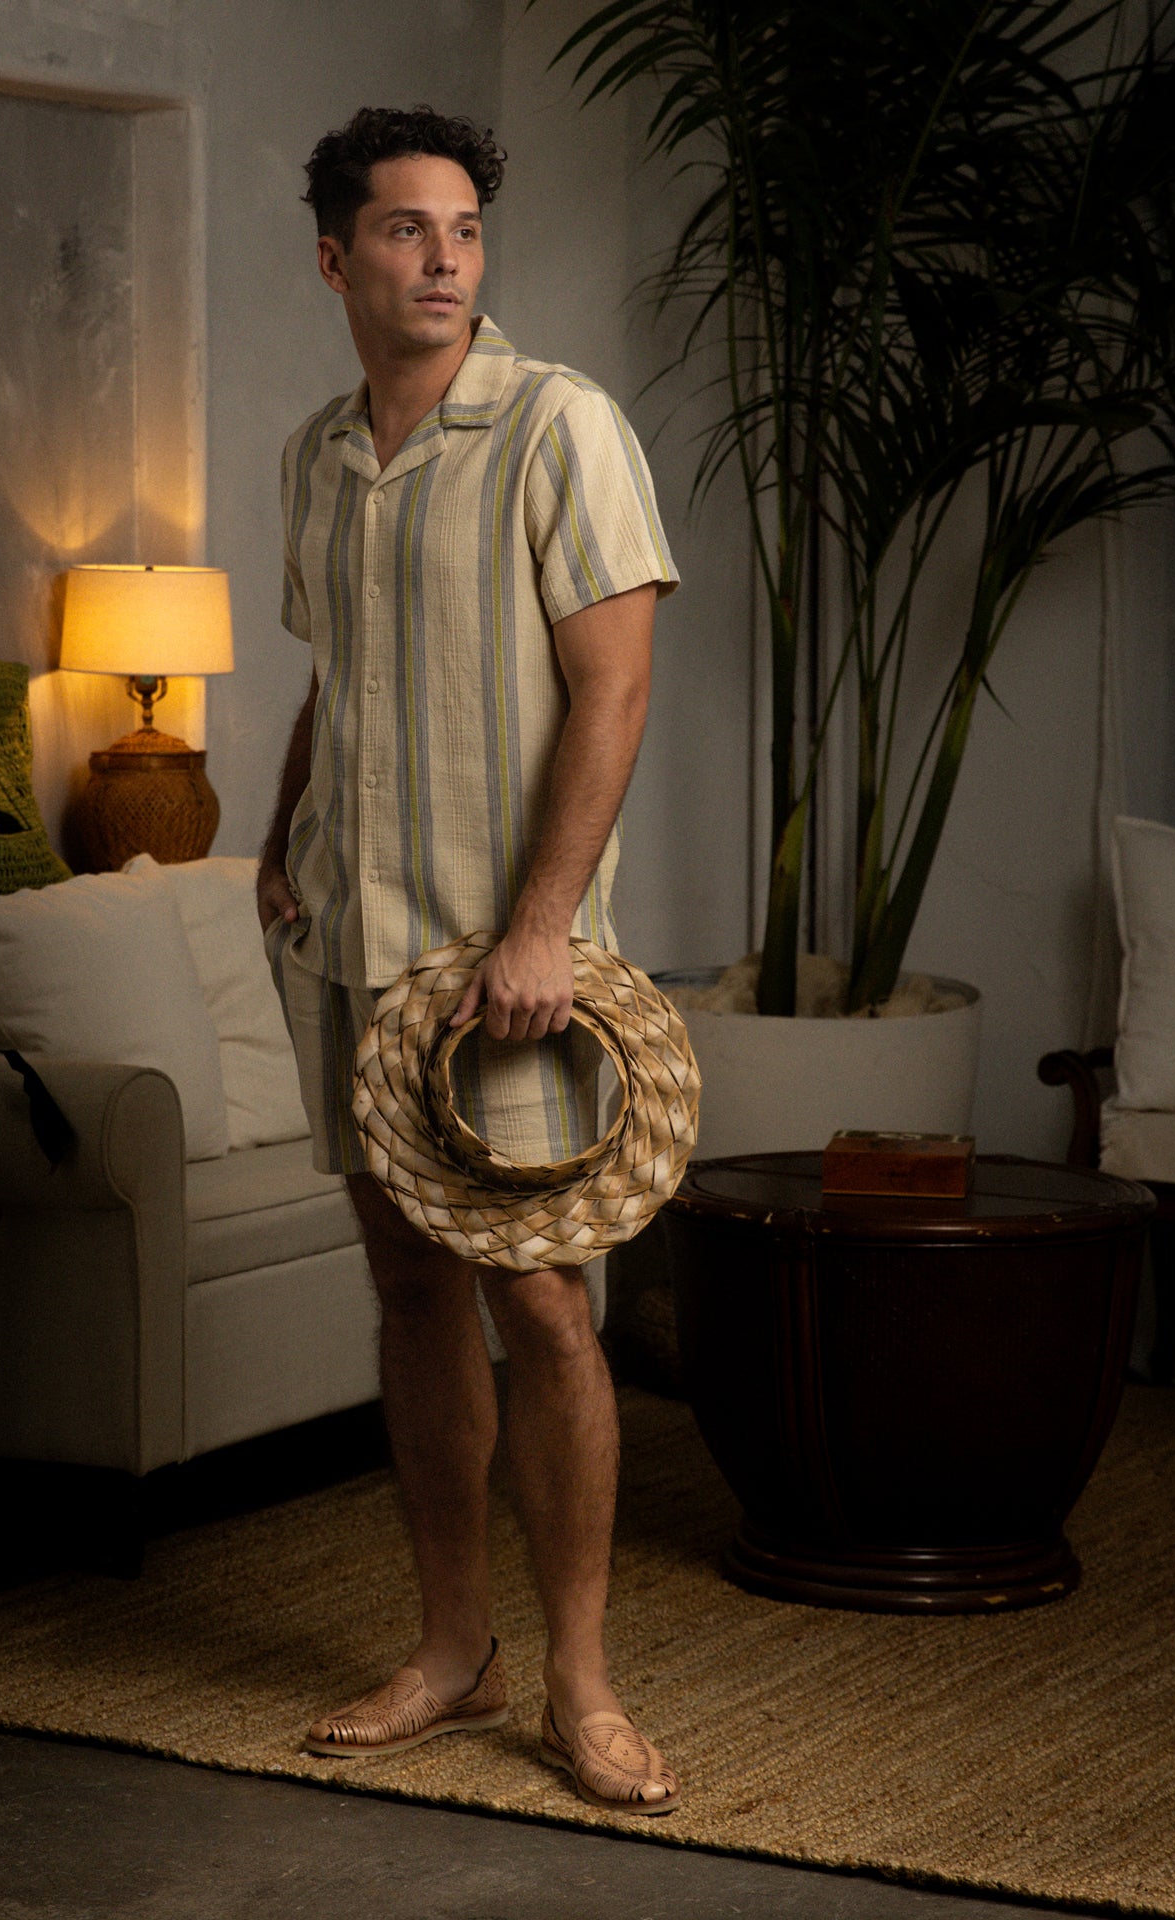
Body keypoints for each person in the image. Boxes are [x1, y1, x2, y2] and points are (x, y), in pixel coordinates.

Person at [258, 105, 681, 1816]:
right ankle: (455, 1649)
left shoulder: (557, 424)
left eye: (465, 232)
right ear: (336, 256)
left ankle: (578, 1680)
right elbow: (336, 677)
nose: (443, 260)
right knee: (412, 1292)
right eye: (407, 230)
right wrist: (282, 838)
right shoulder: (313, 453)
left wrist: (539, 929)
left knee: (542, 1305)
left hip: (505, 970)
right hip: (353, 948)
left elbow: (618, 687)